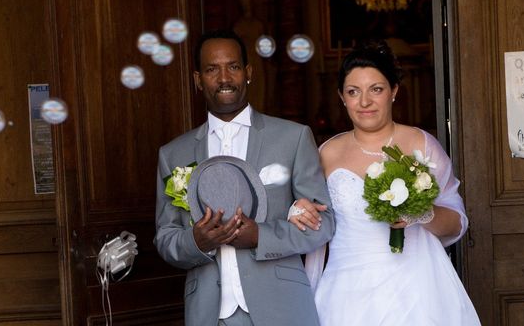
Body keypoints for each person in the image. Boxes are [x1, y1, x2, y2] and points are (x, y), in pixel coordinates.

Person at [289, 41, 480, 325]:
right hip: (347, 290)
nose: (364, 102)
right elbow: (315, 219)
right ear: (342, 97)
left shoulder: (420, 144)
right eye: (353, 92)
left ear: (394, 92)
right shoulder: (326, 153)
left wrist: (421, 213)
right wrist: (298, 211)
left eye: (376, 89)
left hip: (417, 286)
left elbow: (456, 222)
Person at [154, 29, 335, 326]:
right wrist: (196, 241)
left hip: (281, 308)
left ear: (248, 73)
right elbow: (166, 237)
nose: (224, 78)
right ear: (198, 80)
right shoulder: (173, 154)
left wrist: (260, 236)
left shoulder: (293, 138)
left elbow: (324, 224)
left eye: (233, 67)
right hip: (210, 314)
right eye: (212, 69)